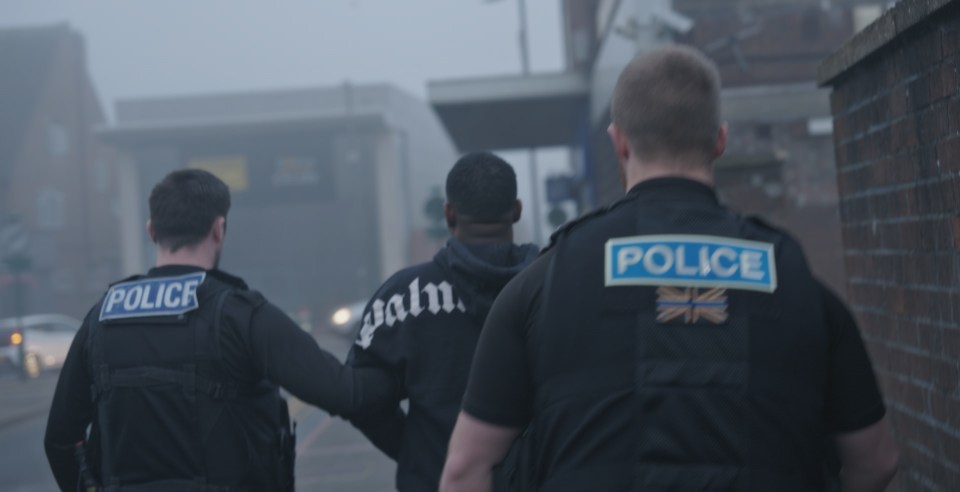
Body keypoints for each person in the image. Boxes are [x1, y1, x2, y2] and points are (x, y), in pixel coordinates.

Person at [440, 46, 900, 492]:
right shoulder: (793, 279)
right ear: (719, 139)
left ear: (619, 142)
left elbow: (464, 470)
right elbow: (875, 462)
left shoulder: (545, 282)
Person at [44, 169, 397, 492]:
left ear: (151, 230)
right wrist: (410, 368)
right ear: (218, 228)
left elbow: (60, 440)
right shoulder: (240, 314)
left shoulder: (101, 318)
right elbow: (341, 392)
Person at [347, 152, 539, 492]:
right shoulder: (554, 285)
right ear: (516, 210)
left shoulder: (401, 298)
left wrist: (414, 450)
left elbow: (362, 397)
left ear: (449, 213)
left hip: (434, 478)